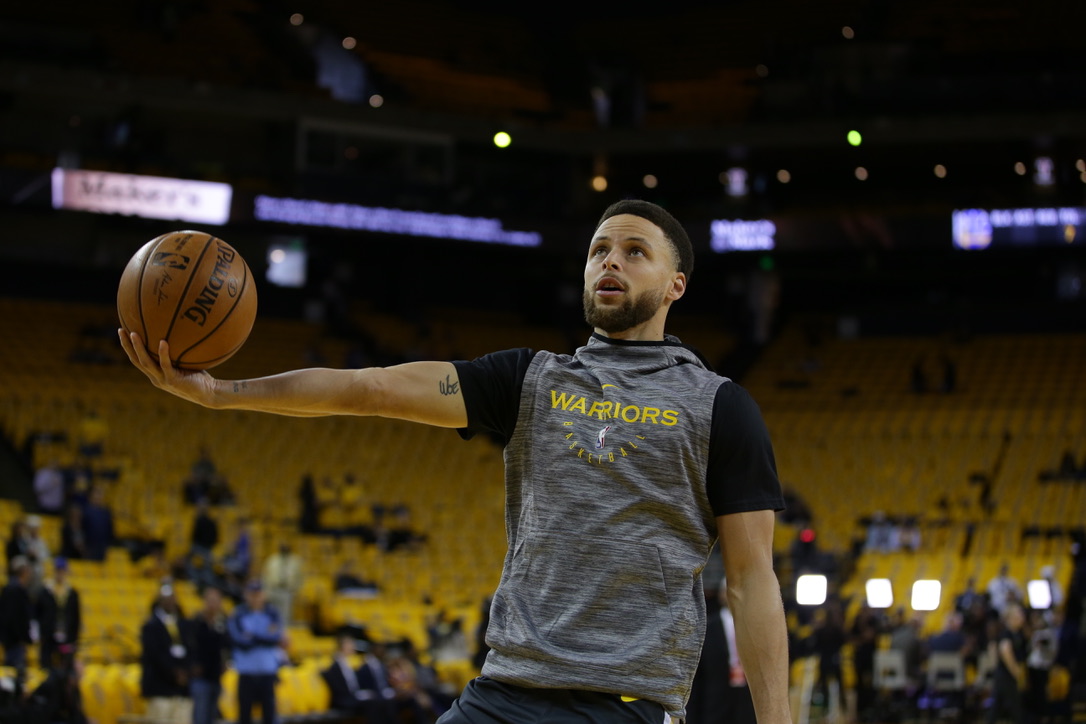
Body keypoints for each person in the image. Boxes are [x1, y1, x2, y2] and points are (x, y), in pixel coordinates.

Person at [119, 199, 791, 724]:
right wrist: (221, 394)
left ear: (675, 285)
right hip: (504, 690)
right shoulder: (531, 381)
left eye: (634, 252)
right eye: (599, 250)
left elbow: (750, 581)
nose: (610, 261)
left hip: (622, 702)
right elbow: (370, 389)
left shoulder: (719, 407)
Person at [687, 578, 756, 724]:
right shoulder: (706, 627)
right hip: (715, 706)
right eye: (729, 591)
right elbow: (698, 676)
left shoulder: (756, 628)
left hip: (747, 706)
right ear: (721, 594)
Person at [228, 579, 285, 724]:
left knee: (269, 714)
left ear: (264, 595)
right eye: (252, 594)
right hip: (246, 672)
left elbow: (275, 637)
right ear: (246, 595)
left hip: (267, 671)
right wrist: (263, 636)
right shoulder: (238, 613)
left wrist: (252, 636)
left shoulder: (272, 613)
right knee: (244, 714)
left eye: (258, 594)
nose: (255, 598)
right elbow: (239, 641)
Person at [139, 583, 193, 724]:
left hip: (182, 689)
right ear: (159, 600)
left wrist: (185, 672)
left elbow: (190, 649)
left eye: (172, 598)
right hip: (160, 686)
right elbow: (154, 655)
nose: (170, 602)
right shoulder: (150, 626)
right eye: (166, 598)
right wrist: (173, 672)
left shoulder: (183, 624)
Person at [191, 586, 230, 724]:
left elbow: (227, 645)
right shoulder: (196, 621)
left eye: (216, 601)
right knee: (200, 716)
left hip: (216, 676)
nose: (213, 604)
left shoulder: (222, 622)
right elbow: (190, 646)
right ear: (205, 601)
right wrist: (193, 664)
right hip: (200, 677)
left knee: (212, 717)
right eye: (210, 600)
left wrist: (226, 662)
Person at [36, 557, 82, 667]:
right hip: (48, 635)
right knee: (46, 664)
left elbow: (76, 617)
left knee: (65, 664)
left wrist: (74, 638)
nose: (60, 573)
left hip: (66, 634)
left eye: (62, 570)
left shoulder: (71, 593)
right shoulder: (46, 591)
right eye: (58, 570)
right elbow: (38, 613)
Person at [987, 603, 1028, 724]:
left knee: (996, 707)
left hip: (1002, 674)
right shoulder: (1007, 633)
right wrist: (1016, 671)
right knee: (1016, 707)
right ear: (1011, 618)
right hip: (1005, 674)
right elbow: (1005, 651)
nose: (1022, 617)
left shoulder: (1017, 633)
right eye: (1019, 614)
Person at [0, 556, 34, 669]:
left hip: (10, 639)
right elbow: (16, 617)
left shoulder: (8, 588)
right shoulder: (17, 590)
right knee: (14, 670)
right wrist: (24, 637)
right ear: (23, 571)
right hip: (15, 640)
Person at [261, 542, 303, 624]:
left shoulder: (295, 561)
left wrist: (296, 589)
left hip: (287, 590)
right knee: (272, 612)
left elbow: (300, 577)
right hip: (273, 589)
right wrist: (266, 590)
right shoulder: (272, 559)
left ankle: (284, 630)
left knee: (285, 615)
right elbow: (265, 576)